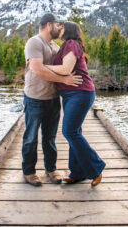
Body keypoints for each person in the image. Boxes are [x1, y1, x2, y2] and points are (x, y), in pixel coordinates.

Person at [22, 14, 83, 186]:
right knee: (30, 137)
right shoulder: (34, 42)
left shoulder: (55, 46)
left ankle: (51, 169)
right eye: (58, 25)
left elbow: (65, 68)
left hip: (53, 99)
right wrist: (64, 80)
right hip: (34, 98)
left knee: (50, 137)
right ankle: (29, 171)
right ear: (49, 25)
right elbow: (37, 69)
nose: (60, 28)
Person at [46, 21, 106, 186]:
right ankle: (78, 172)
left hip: (80, 93)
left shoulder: (72, 44)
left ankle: (96, 167)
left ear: (69, 30)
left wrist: (43, 67)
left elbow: (66, 69)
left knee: (70, 131)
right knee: (74, 132)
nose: (59, 29)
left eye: (62, 27)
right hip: (70, 94)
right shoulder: (66, 45)